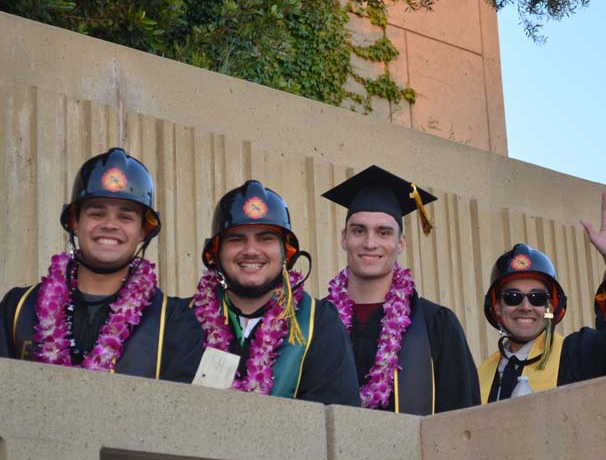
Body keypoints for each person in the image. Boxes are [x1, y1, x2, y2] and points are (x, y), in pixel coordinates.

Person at [0, 148, 202, 381]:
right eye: (97, 214)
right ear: (75, 222)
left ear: (142, 233)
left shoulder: (175, 322)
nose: (109, 225)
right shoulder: (17, 309)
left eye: (125, 217)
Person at [478, 188, 606, 403]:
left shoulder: (581, 352)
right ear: (497, 307)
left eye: (537, 298)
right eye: (512, 297)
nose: (526, 306)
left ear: (551, 306)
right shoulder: (480, 374)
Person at [323, 165, 480, 415]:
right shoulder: (316, 321)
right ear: (344, 238)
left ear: (401, 243)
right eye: (358, 230)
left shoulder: (436, 325)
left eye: (384, 232)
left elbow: (462, 422)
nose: (370, 243)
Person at [191, 180, 360, 405]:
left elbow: (334, 422)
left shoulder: (319, 324)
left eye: (265, 238)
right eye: (236, 239)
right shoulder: (184, 320)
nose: (251, 250)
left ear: (286, 253)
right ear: (215, 253)